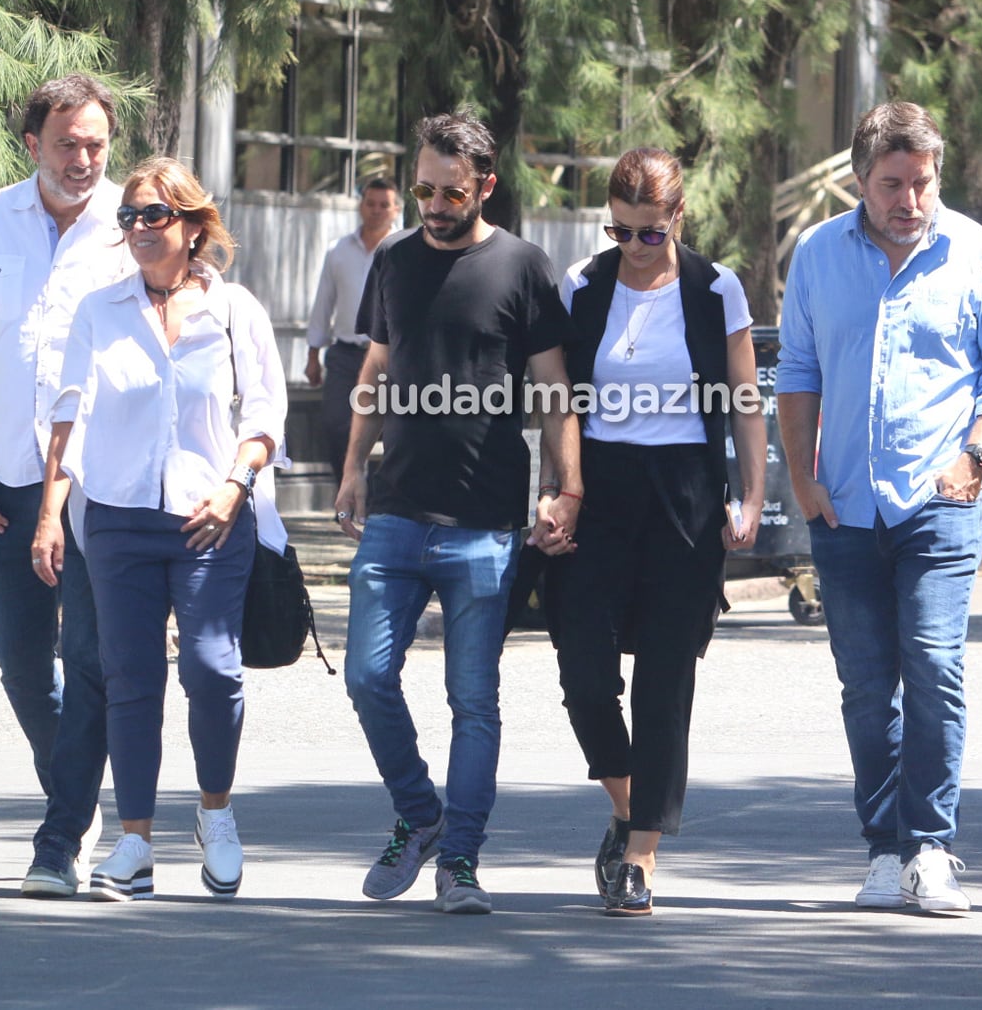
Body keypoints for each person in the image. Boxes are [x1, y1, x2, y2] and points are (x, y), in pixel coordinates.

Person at [775, 101, 982, 913]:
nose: (909, 200)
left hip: (942, 498)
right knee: (865, 683)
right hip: (844, 503)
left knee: (935, 666)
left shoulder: (977, 253)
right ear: (859, 179)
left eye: (922, 183)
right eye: (892, 184)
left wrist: (975, 455)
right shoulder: (817, 254)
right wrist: (804, 483)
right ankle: (882, 849)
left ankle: (932, 846)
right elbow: (798, 372)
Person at [337, 110, 580, 915]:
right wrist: (350, 471)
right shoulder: (394, 260)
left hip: (483, 523)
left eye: (450, 192)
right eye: (423, 189)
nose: (434, 205)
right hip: (397, 511)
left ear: (484, 184)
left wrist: (564, 488)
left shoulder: (523, 267)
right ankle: (419, 813)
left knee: (473, 700)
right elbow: (375, 369)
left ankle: (461, 861)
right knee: (369, 675)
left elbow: (554, 394)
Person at [33, 156, 290, 902]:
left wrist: (235, 487)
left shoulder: (235, 309)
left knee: (212, 667)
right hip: (114, 518)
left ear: (191, 225)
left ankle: (216, 813)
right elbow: (68, 417)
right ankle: (135, 843)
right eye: (129, 218)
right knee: (131, 680)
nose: (139, 229)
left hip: (212, 516)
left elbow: (264, 415)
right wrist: (51, 515)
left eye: (153, 216)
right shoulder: (99, 310)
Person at [542, 147, 765, 917]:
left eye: (648, 233)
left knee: (665, 681)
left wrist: (752, 497)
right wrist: (560, 489)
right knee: (582, 672)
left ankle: (640, 857)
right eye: (622, 231)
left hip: (685, 495)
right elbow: (560, 400)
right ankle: (630, 801)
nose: (634, 247)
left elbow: (744, 401)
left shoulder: (713, 289)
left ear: (678, 217)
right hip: (600, 490)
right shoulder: (582, 285)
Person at [0, 73, 131, 897]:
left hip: (101, 482)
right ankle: (77, 798)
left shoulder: (135, 222)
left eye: (95, 144)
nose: (83, 159)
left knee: (87, 656)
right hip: (9, 476)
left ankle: (58, 838)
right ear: (31, 145)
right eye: (66, 144)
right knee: (21, 662)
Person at [304, 178, 402, 486]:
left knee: (391, 429)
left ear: (396, 209)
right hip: (346, 354)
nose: (376, 211)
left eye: (384, 205)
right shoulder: (339, 251)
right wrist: (312, 354)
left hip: (391, 354)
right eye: (370, 203)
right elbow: (324, 303)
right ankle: (346, 491)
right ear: (361, 206)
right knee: (337, 425)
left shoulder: (406, 250)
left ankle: (378, 501)